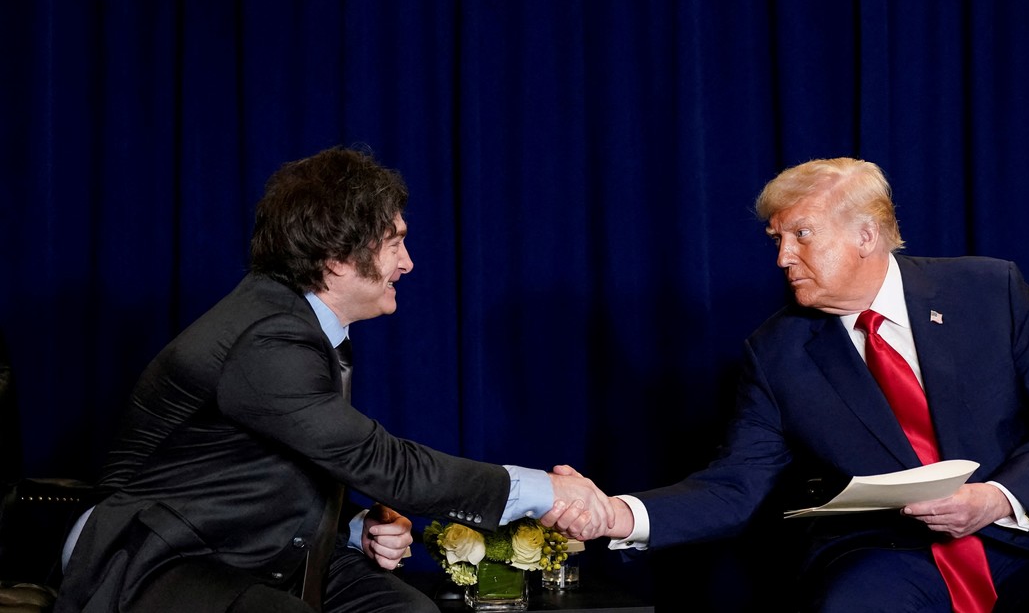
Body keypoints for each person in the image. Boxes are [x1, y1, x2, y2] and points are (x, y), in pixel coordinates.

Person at [563, 157, 1029, 612]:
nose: (783, 257)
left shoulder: (990, 290)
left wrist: (998, 497)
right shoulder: (776, 352)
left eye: (802, 235)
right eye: (777, 239)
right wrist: (617, 514)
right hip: (888, 552)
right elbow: (735, 487)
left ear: (866, 235)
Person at [54, 146, 612, 613]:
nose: (408, 263)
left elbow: (259, 468)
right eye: (394, 244)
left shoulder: (298, 322)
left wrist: (352, 526)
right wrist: (544, 491)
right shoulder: (266, 337)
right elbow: (378, 460)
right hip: (157, 556)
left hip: (249, 544)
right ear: (336, 258)